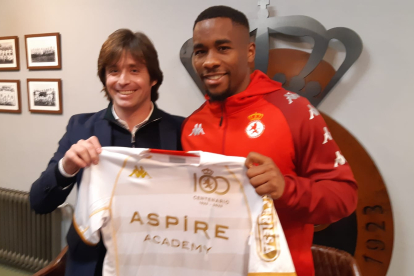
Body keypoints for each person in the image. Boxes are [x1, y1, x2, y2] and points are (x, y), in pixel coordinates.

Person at [181, 6, 358, 276]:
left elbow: (344, 197)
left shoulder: (295, 111)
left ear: (250, 53)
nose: (209, 61)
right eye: (200, 51)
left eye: (223, 48)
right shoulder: (192, 125)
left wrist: (286, 189)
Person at [30, 29, 184, 276]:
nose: (123, 80)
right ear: (104, 78)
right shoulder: (80, 127)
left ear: (153, 78)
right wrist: (65, 168)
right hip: (92, 265)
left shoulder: (181, 130)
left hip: (159, 263)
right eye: (113, 71)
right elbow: (39, 202)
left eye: (135, 70)